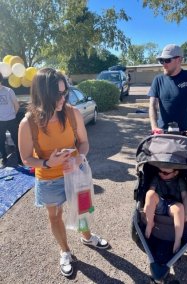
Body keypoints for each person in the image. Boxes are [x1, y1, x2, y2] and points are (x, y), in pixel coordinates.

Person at [18, 68, 109, 277]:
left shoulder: (72, 113)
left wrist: (78, 158)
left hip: (76, 172)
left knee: (83, 209)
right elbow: (26, 158)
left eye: (65, 92)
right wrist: (48, 163)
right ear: (43, 95)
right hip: (49, 179)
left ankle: (87, 237)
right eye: (58, 94)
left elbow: (84, 143)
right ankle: (65, 251)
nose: (63, 98)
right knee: (55, 216)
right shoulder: (27, 123)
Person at [148, 44, 187, 138]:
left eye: (167, 60)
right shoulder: (158, 80)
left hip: (184, 135)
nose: (164, 64)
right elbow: (152, 105)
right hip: (161, 134)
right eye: (161, 61)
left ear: (179, 60)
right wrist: (154, 127)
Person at [144, 167, 187, 253]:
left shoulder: (180, 181)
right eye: (160, 171)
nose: (161, 174)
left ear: (175, 173)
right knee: (150, 193)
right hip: (159, 204)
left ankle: (177, 239)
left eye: (165, 173)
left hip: (173, 206)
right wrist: (147, 204)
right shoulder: (157, 179)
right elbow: (151, 191)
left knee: (180, 207)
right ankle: (150, 223)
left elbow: (184, 197)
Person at [0, 71, 22, 167]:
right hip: (0, 121)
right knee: (1, 141)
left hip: (11, 120)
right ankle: (3, 160)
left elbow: (16, 105)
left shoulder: (9, 91)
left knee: (17, 140)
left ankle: (21, 160)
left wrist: (12, 114)